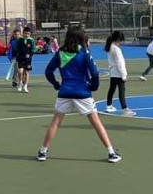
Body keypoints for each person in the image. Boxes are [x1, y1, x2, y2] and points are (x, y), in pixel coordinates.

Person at [38, 26, 122, 164]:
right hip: (82, 92)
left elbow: (48, 71)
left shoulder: (60, 52)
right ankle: (111, 153)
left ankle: (42, 152)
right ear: (80, 37)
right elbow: (94, 72)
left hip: (64, 92)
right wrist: (93, 87)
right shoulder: (84, 52)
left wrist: (56, 84)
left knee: (55, 123)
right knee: (96, 122)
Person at [104, 31, 133, 114]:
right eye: (121, 40)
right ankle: (125, 109)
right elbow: (120, 63)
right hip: (118, 72)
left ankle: (109, 106)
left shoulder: (110, 47)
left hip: (113, 71)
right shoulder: (116, 49)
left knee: (112, 89)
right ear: (117, 39)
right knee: (121, 90)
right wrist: (124, 74)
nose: (121, 42)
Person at [14, 26, 35, 93]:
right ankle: (20, 83)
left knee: (27, 72)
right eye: (25, 33)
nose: (27, 35)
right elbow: (16, 48)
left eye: (28, 33)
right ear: (23, 33)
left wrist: (30, 54)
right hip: (20, 58)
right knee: (20, 71)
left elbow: (33, 49)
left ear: (30, 34)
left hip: (28, 60)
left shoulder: (31, 40)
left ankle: (25, 86)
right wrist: (16, 55)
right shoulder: (20, 40)